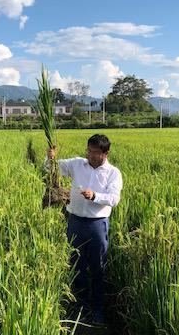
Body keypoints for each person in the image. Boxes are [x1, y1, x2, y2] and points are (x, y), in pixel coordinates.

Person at [47, 134, 123, 326]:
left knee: (98, 267)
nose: (90, 155)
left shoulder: (113, 173)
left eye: (95, 152)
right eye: (89, 151)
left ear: (106, 154)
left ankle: (97, 310)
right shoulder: (76, 164)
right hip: (75, 221)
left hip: (98, 224)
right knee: (76, 264)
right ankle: (79, 306)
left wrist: (94, 195)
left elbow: (114, 199)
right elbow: (51, 169)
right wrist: (51, 158)